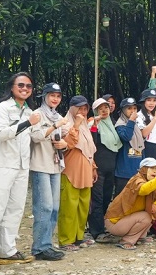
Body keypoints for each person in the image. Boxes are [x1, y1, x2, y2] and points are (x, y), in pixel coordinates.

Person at [0, 73, 41, 273]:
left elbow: (36, 136)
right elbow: (2, 134)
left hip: (22, 166)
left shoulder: (30, 111)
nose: (25, 88)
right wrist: (27, 123)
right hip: (2, 165)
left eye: (29, 86)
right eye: (21, 85)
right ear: (12, 87)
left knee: (15, 210)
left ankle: (8, 250)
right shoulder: (3, 108)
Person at [28, 83, 69, 261]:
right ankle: (39, 248)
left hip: (55, 165)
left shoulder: (58, 116)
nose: (55, 99)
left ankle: (47, 244)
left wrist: (64, 145)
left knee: (54, 208)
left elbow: (62, 140)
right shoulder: (37, 114)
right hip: (39, 165)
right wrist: (55, 126)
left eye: (58, 96)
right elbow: (36, 137)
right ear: (44, 96)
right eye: (52, 95)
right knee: (43, 207)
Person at [58, 95, 98, 251]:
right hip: (71, 170)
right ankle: (66, 240)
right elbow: (69, 143)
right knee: (69, 205)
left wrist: (93, 167)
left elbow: (89, 148)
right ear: (72, 108)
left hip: (86, 168)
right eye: (79, 108)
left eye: (84, 109)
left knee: (83, 205)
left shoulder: (85, 127)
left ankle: (79, 237)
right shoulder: (64, 124)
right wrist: (76, 124)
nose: (82, 112)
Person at [104, 158, 156, 250]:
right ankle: (126, 241)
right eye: (151, 168)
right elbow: (143, 190)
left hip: (127, 220)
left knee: (155, 210)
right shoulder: (136, 180)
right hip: (115, 223)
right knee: (146, 216)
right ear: (143, 169)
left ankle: (140, 237)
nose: (155, 171)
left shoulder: (152, 183)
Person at [87, 97, 118, 244]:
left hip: (110, 168)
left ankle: (103, 227)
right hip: (97, 169)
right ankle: (96, 231)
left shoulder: (111, 124)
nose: (104, 110)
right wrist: (94, 125)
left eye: (106, 107)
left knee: (106, 198)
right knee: (97, 200)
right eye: (100, 108)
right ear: (95, 110)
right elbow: (91, 144)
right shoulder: (93, 124)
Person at [114, 98, 145, 193]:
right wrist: (131, 121)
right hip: (124, 171)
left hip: (136, 169)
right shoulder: (120, 125)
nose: (132, 111)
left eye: (134, 108)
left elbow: (140, 146)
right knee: (121, 199)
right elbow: (126, 136)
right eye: (129, 108)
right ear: (123, 110)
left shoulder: (136, 125)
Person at [135, 89, 156, 160]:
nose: (152, 103)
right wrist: (155, 119)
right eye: (149, 100)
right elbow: (144, 134)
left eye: (154, 100)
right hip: (144, 147)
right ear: (143, 101)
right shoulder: (139, 116)